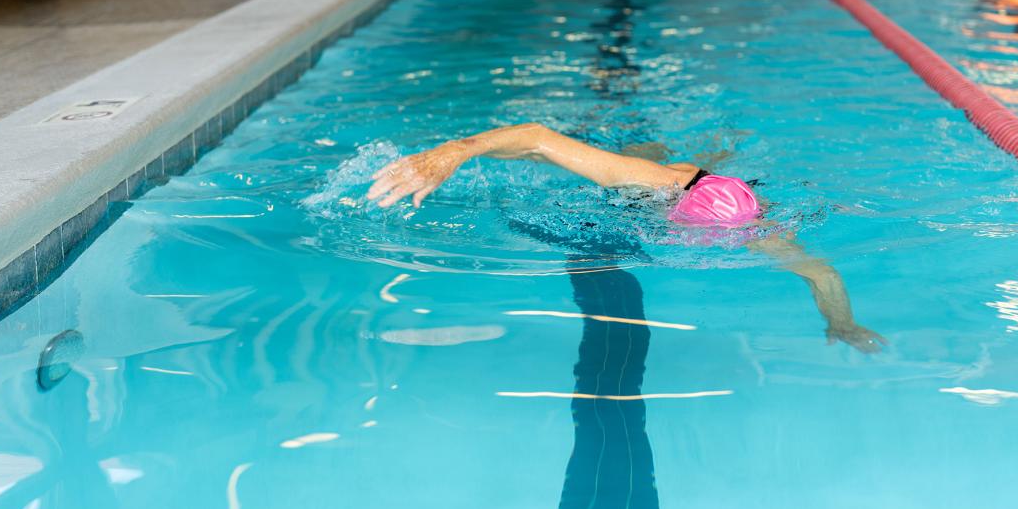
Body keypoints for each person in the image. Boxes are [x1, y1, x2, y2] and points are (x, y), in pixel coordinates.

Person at [366, 122, 885, 352]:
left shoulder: (758, 230)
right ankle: (685, 146)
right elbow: (537, 139)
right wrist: (454, 151)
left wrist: (843, 323)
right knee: (646, 154)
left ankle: (716, 152)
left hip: (716, 188)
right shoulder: (652, 182)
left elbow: (821, 273)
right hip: (671, 174)